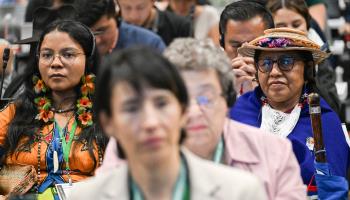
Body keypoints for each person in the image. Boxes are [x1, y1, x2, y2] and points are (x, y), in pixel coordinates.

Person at [98, 38, 306, 199]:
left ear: (227, 100)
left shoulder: (274, 152)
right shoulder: (130, 146)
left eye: (206, 98)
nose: (195, 111)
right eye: (183, 99)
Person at [70, 46, 268, 200]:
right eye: (131, 108)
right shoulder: (84, 197)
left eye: (161, 103)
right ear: (108, 122)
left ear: (182, 110)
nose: (150, 122)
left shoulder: (240, 192)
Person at [230, 28, 350, 188]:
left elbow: (332, 190)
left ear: (307, 70)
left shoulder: (324, 121)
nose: (274, 72)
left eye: (286, 62)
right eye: (265, 63)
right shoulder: (239, 110)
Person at [0, 20, 106, 199]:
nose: (55, 63)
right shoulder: (16, 111)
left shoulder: (105, 113)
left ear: (88, 59)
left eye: (68, 54)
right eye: (47, 55)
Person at [266, 0, 342, 121]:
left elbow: (333, 109)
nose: (291, 31)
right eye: (281, 26)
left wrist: (310, 72)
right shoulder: (264, 61)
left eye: (296, 25)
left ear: (307, 25)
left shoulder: (321, 55)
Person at [219, 0, 274, 95]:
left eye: (255, 44)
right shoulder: (211, 82)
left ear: (273, 43)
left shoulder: (288, 81)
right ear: (222, 44)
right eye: (236, 45)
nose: (244, 54)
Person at [74, 0, 166, 56]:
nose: (97, 40)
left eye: (102, 30)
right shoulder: (72, 47)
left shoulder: (150, 44)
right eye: (88, 33)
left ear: (116, 18)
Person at [117, 0, 192, 45]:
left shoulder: (180, 26)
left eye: (141, 8)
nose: (133, 16)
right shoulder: (113, 28)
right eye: (127, 8)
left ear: (153, 1)